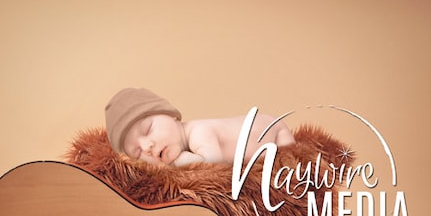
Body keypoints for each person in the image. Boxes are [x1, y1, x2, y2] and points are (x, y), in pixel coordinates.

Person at [105, 88, 295, 166]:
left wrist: (178, 160)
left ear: (171, 115)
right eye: (137, 152)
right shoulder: (186, 142)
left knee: (291, 166)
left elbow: (211, 165)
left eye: (147, 129)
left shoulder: (199, 132)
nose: (147, 147)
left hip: (275, 132)